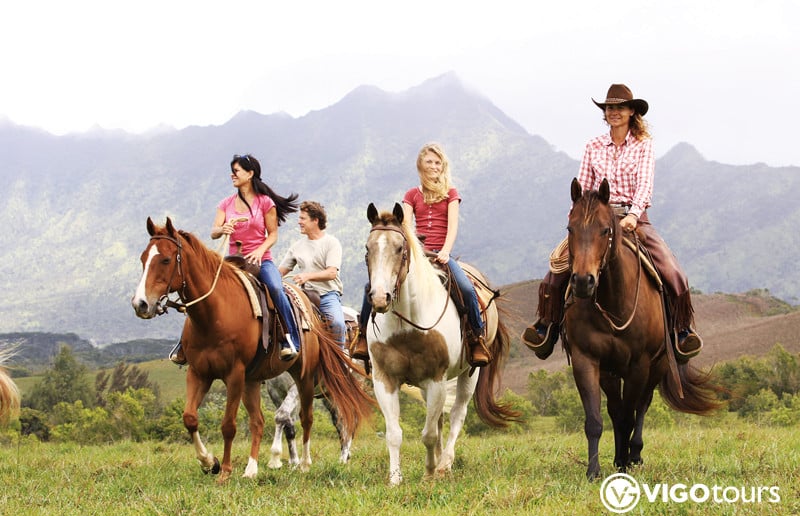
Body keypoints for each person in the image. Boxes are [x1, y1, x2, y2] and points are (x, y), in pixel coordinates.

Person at [522, 84, 703, 362]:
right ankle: (547, 326)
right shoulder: (593, 146)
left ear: (632, 112)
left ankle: (681, 330)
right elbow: (583, 186)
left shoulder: (644, 145)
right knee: (555, 271)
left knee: (673, 270)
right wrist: (579, 218)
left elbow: (644, 185)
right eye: (609, 108)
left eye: (619, 107)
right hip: (595, 221)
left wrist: (632, 214)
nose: (613, 112)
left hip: (633, 219)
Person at [351, 142, 492, 368]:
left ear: (443, 166)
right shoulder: (411, 194)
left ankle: (477, 337)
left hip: (441, 254)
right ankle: (362, 336)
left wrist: (445, 251)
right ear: (421, 165)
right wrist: (411, 251)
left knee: (465, 288)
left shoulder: (451, 193)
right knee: (372, 285)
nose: (434, 166)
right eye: (429, 162)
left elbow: (453, 225)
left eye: (438, 162)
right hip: (417, 254)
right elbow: (405, 226)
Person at [170, 153, 301, 365]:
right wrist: (223, 229)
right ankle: (183, 343)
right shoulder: (225, 203)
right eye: (232, 171)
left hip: (261, 260)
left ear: (250, 174)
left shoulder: (265, 203)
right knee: (204, 289)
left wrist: (259, 250)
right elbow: (213, 232)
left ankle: (290, 339)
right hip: (233, 260)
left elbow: (273, 235)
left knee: (276, 288)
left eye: (237, 171)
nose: (232, 175)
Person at [278, 201, 347, 352]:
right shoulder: (296, 246)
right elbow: (281, 272)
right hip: (304, 295)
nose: (299, 222)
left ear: (315, 220)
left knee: (337, 324)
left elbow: (331, 272)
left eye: (303, 218)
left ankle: (340, 357)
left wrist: (307, 276)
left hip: (327, 295)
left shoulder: (331, 243)